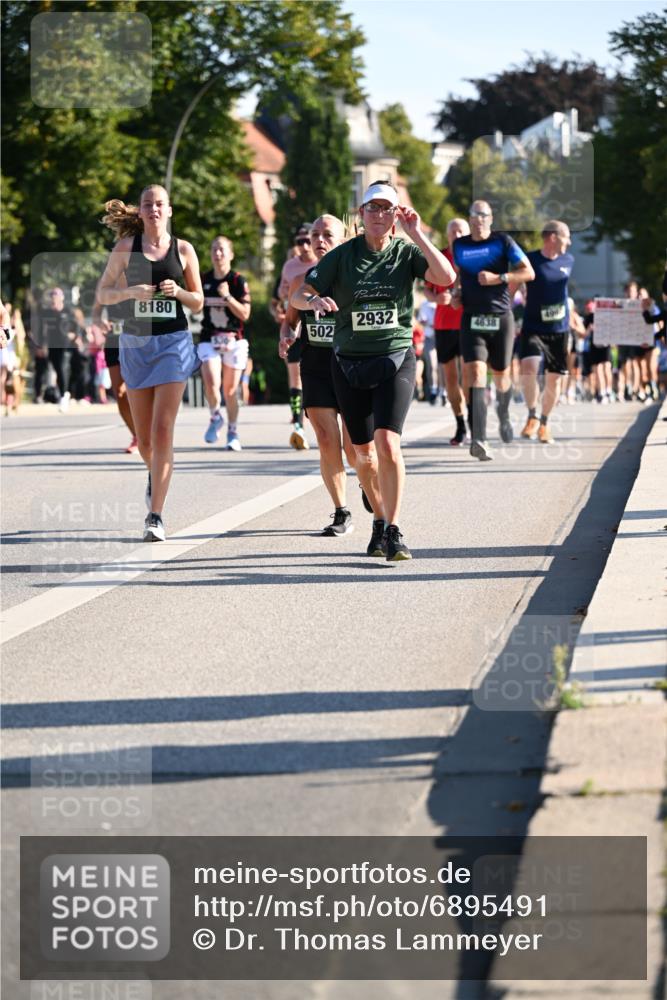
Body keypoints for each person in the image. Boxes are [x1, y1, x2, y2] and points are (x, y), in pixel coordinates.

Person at [292, 181, 456, 561]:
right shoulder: (342, 256)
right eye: (373, 208)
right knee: (362, 456)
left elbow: (445, 277)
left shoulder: (405, 252)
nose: (379, 214)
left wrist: (416, 233)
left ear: (395, 215)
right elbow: (298, 294)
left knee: (387, 445)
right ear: (361, 215)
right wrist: (315, 299)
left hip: (396, 358)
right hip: (348, 363)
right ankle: (379, 520)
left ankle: (395, 531)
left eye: (387, 208)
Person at [98, 184, 203, 542]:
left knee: (162, 430)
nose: (154, 209)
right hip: (136, 343)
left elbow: (199, 301)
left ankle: (155, 515)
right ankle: (153, 470)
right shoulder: (127, 248)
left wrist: (180, 293)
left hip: (174, 343)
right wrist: (129, 292)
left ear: (169, 210)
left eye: (160, 204)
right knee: (144, 439)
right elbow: (102, 293)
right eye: (148, 205)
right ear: (140, 212)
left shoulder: (184, 250)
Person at [280, 214, 380, 537]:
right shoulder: (302, 282)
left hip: (351, 365)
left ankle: (370, 487)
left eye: (327, 235)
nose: (319, 240)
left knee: (355, 451)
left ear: (343, 242)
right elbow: (291, 316)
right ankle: (341, 511)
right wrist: (287, 333)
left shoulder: (357, 279)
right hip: (316, 366)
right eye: (315, 235)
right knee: (325, 440)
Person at [452, 200, 535, 460]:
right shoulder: (460, 245)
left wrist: (499, 278)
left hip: (500, 317)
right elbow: (458, 276)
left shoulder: (503, 242)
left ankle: (504, 412)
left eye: (482, 215)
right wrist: (456, 293)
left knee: (502, 375)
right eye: (473, 215)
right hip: (471, 317)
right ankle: (479, 437)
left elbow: (528, 272)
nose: (477, 219)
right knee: (474, 371)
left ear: (491, 218)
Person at [519, 220, 574, 444]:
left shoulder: (568, 260)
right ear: (552, 237)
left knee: (555, 379)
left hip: (559, 329)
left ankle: (544, 422)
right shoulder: (530, 259)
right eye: (566, 237)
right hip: (533, 325)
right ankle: (532, 413)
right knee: (529, 367)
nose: (569, 242)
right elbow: (518, 282)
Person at [198, 236, 251, 451]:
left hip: (234, 339)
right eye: (214, 249)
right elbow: (194, 306)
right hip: (209, 337)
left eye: (221, 250)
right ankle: (215, 416)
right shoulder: (203, 279)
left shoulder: (238, 281)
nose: (217, 254)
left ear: (230, 254)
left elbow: (246, 314)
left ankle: (233, 431)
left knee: (230, 391)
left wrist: (228, 297)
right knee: (210, 380)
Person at [424, 218, 470, 444]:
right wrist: (437, 298)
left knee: (469, 377)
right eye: (453, 231)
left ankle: (473, 422)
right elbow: (427, 291)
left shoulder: (474, 255)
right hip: (443, 326)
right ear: (448, 234)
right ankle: (461, 424)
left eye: (461, 230)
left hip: (467, 325)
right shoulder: (439, 256)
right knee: (451, 379)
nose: (457, 234)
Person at [278, 225, 317, 449]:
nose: (303, 245)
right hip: (294, 326)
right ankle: (298, 425)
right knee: (295, 377)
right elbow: (282, 294)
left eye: (306, 240)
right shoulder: (291, 267)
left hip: (316, 328)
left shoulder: (323, 263)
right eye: (299, 241)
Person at [92, 293, 138, 452]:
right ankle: (137, 436)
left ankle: (148, 432)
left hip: (137, 340)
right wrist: (99, 321)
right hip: (114, 341)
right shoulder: (108, 280)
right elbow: (96, 311)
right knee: (119, 392)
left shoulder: (140, 273)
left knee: (136, 388)